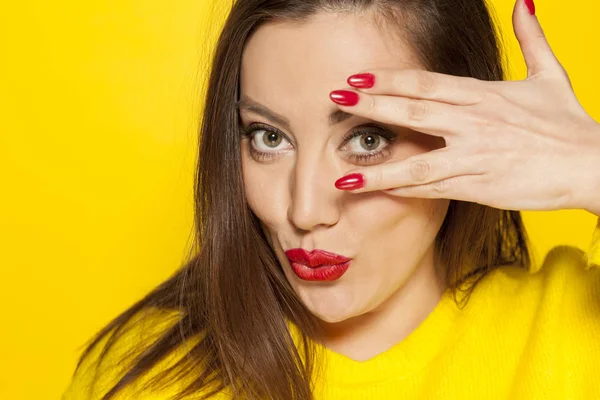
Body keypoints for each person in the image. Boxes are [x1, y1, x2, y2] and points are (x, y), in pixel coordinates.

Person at [62, 0, 600, 398]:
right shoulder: (145, 376)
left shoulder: (576, 333)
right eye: (268, 138)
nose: (304, 211)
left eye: (368, 140)